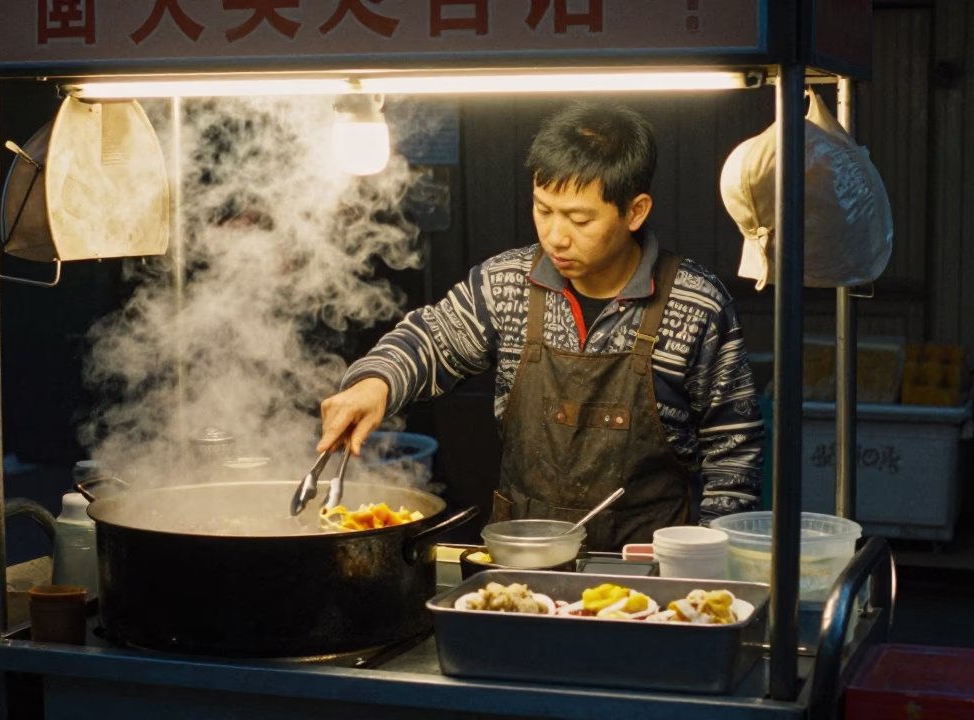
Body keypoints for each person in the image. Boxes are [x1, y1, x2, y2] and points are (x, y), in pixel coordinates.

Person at [317, 102, 763, 551]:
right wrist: (375, 383)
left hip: (649, 573)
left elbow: (734, 455)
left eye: (580, 218)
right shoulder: (505, 283)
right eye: (543, 210)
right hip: (523, 561)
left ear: (635, 211)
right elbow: (432, 338)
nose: (555, 236)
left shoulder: (697, 304)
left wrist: (707, 565)